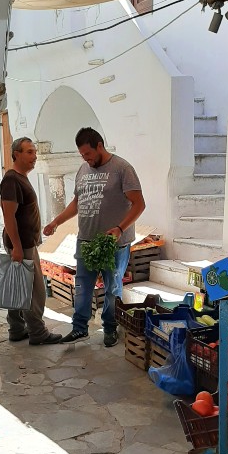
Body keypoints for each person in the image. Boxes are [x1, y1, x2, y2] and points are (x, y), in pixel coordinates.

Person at [43, 127, 146, 347]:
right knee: (82, 287)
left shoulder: (122, 169)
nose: (86, 159)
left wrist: (119, 228)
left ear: (99, 146)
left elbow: (139, 204)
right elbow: (77, 203)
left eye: (88, 154)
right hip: (86, 240)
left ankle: (109, 328)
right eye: (82, 155)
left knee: (112, 288)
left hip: (113, 244)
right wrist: (56, 222)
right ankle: (80, 328)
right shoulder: (83, 170)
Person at [0, 137, 61, 345]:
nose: (34, 157)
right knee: (35, 290)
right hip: (22, 245)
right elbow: (8, 215)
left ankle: (16, 329)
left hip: (24, 243)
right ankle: (37, 332)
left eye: (34, 152)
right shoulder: (12, 180)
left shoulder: (20, 178)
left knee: (17, 286)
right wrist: (16, 246)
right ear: (16, 153)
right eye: (29, 152)